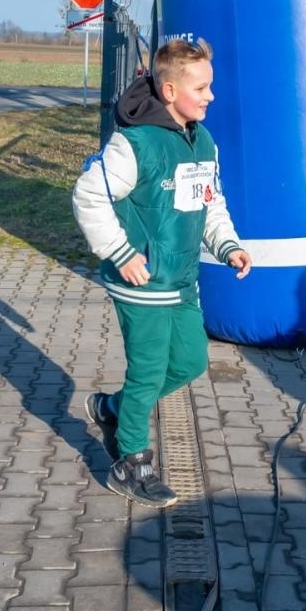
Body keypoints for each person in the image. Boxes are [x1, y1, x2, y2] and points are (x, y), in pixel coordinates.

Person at [72, 37, 252, 507]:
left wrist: (228, 246)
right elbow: (88, 195)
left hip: (183, 281)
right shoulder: (134, 143)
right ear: (170, 91)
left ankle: (112, 408)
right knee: (148, 373)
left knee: (191, 362)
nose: (211, 95)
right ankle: (130, 462)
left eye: (211, 86)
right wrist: (121, 251)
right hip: (141, 281)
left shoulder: (204, 141)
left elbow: (211, 206)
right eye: (202, 87)